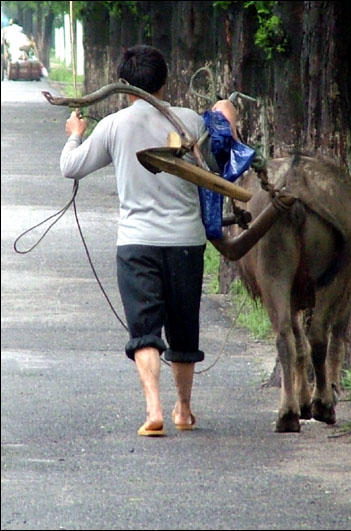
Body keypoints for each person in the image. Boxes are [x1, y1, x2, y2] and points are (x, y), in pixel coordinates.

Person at [61, 44, 238, 437]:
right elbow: (216, 167)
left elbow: (70, 168)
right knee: (183, 327)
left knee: (144, 330)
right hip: (187, 242)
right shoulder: (191, 121)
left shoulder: (114, 125)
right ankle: (184, 411)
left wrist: (75, 135)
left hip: (136, 243)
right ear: (165, 81)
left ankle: (153, 409)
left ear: (124, 87)